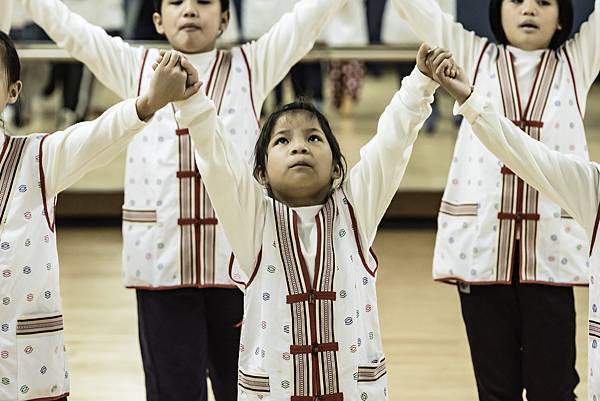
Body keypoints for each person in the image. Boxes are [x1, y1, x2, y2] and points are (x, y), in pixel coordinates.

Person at [17, 0, 350, 399]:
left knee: (245, 386)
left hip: (239, 269)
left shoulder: (251, 64)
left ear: (225, 18)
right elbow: (74, 32)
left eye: (204, 2)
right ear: (158, 19)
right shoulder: (135, 67)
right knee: (172, 391)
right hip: (162, 270)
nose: (190, 9)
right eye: (176, 2)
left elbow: (306, 20)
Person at [170, 43, 445, 401]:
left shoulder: (355, 209)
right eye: (282, 141)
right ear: (261, 174)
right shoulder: (253, 222)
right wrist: (193, 103)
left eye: (313, 138)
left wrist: (420, 83)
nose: (299, 147)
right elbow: (217, 162)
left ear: (335, 167)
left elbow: (391, 145)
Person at [392, 0, 600, 399]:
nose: (529, 10)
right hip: (481, 252)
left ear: (561, 19)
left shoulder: (577, 61)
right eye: (517, 0)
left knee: (554, 389)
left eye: (543, 3)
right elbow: (415, 10)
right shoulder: (473, 53)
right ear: (496, 11)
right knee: (494, 390)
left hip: (550, 259)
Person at [0, 5, 201, 398]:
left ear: (13, 90)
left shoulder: (37, 159)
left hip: (24, 367)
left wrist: (146, 104)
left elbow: (96, 138)